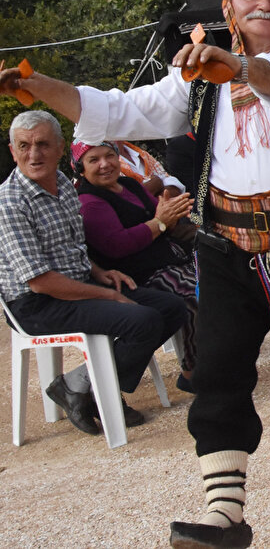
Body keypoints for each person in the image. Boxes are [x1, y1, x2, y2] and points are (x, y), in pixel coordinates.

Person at [1, 0, 270, 548]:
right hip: (226, 251)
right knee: (218, 373)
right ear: (229, 5)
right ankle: (224, 514)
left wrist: (240, 69)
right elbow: (114, 112)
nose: (265, 4)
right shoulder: (193, 86)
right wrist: (39, 85)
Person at [0, 111, 189, 436]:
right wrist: (108, 295)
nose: (34, 154)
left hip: (78, 284)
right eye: (24, 146)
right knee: (141, 320)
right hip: (37, 303)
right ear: (12, 150)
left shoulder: (62, 185)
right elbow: (40, 281)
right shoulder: (10, 202)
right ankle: (99, 394)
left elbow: (72, 248)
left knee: (171, 307)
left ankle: (79, 385)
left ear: (60, 148)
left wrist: (102, 273)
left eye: (43, 144)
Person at [72, 140, 200, 393]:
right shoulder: (89, 201)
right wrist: (160, 223)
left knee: (221, 282)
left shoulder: (129, 184)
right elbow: (117, 246)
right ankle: (193, 372)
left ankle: (219, 359)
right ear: (80, 168)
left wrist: (169, 217)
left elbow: (162, 217)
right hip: (138, 273)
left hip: (169, 259)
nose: (105, 164)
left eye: (109, 155)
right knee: (196, 294)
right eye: (93, 160)